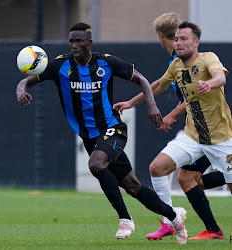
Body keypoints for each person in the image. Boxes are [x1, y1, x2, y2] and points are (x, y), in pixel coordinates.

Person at [16, 22, 188, 244]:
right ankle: (175, 217)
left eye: (79, 41)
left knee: (96, 165)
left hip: (112, 129)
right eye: (71, 41)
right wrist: (21, 90)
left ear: (89, 43)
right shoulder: (60, 65)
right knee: (133, 186)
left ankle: (125, 219)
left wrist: (151, 105)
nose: (74, 45)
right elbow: (25, 81)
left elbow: (142, 80)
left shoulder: (106, 62)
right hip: (90, 136)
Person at [115, 20, 232, 239]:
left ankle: (212, 230)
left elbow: (220, 76)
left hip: (222, 137)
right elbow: (159, 85)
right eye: (176, 39)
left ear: (195, 42)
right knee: (157, 168)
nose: (178, 42)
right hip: (193, 136)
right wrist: (131, 102)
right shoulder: (176, 65)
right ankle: (171, 220)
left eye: (184, 39)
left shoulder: (208, 58)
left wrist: (211, 83)